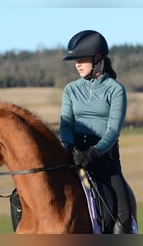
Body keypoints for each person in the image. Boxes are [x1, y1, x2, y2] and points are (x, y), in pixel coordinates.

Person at [59, 30, 135, 234]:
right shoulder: (70, 90)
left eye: (82, 59)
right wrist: (70, 148)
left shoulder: (115, 90)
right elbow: (65, 125)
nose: (77, 64)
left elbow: (112, 131)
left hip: (104, 159)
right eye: (75, 60)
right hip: (73, 154)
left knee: (125, 215)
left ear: (98, 58)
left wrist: (93, 152)